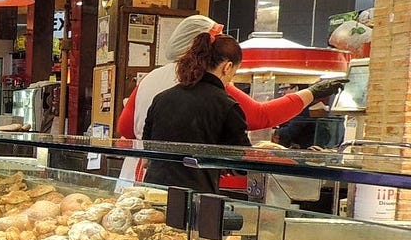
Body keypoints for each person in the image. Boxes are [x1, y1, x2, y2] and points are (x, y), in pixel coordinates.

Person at [116, 14, 340, 183]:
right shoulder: (209, 83)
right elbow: (261, 116)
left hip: (139, 175)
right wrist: (312, 93)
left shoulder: (151, 78)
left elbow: (125, 128)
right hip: (189, 180)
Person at [142, 29, 251, 192]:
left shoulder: (162, 99)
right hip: (194, 199)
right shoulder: (227, 106)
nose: (231, 79)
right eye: (234, 72)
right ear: (227, 67)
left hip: (153, 193)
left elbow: (147, 157)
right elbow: (242, 165)